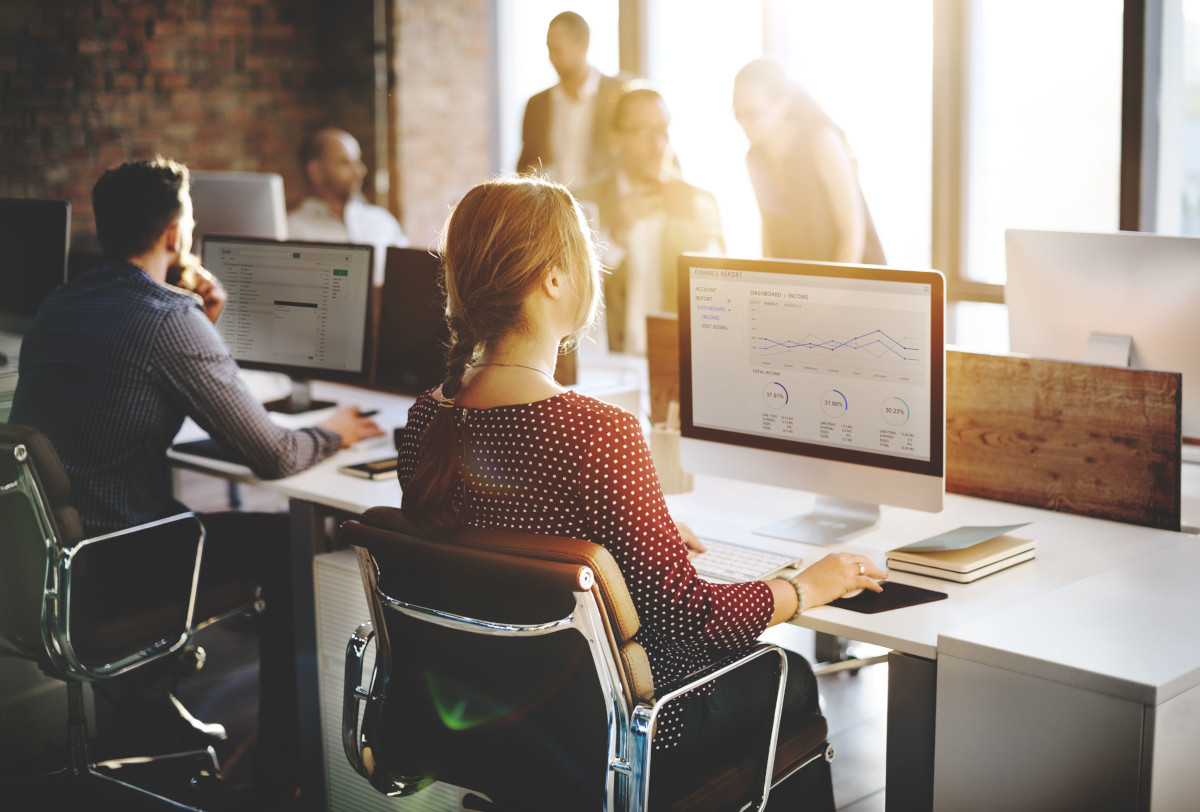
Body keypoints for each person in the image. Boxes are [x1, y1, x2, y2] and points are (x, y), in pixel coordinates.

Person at [395, 175, 886, 802]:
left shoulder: (427, 419)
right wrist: (803, 588)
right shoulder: (598, 432)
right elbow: (688, 622)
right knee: (787, 671)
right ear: (553, 278)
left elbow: (500, 534)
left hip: (497, 719)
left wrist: (629, 532)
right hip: (621, 731)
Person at [11, 156, 384, 801]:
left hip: (36, 568)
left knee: (190, 519)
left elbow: (126, 385)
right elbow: (274, 456)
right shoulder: (168, 319)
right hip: (115, 566)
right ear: (177, 235)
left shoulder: (59, 303)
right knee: (286, 549)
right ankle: (284, 766)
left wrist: (198, 323)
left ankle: (144, 701)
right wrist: (339, 431)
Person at [578, 84, 724, 354]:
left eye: (663, 130)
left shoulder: (699, 202)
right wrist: (615, 234)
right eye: (643, 132)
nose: (657, 145)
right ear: (616, 139)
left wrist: (702, 245)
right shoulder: (584, 203)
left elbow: (721, 303)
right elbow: (570, 296)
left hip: (675, 361)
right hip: (607, 365)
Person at [733, 57, 886, 265]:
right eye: (737, 114)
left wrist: (830, 294)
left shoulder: (821, 140)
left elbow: (851, 233)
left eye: (752, 113)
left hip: (853, 276)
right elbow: (770, 232)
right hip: (803, 286)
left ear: (783, 103)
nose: (744, 123)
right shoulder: (755, 158)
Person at [287, 126, 408, 286]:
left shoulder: (382, 221)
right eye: (346, 163)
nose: (360, 171)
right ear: (316, 170)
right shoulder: (290, 231)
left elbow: (411, 275)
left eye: (358, 162)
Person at [516, 11, 623, 189]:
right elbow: (524, 165)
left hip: (605, 210)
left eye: (558, 50)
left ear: (583, 45)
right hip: (552, 210)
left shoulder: (618, 94)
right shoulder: (536, 105)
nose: (552, 58)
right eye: (549, 49)